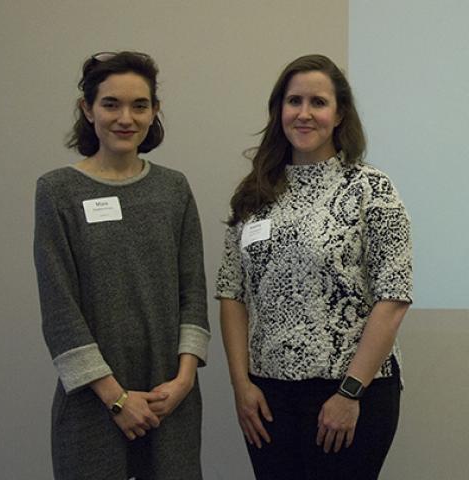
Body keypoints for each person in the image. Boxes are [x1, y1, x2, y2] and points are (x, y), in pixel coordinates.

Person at [216, 54, 412, 480]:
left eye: (318, 103)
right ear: (279, 110)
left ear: (339, 113)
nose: (304, 114)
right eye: (294, 101)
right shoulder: (254, 193)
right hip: (267, 397)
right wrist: (241, 386)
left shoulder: (371, 189)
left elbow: (393, 297)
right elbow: (231, 293)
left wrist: (349, 392)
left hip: (351, 393)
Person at [34, 51, 210, 480]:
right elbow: (60, 309)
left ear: (155, 112)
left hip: (168, 397)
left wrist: (184, 380)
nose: (125, 118)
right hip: (94, 403)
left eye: (139, 105)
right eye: (111, 104)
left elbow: (193, 291)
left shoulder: (173, 188)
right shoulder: (57, 191)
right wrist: (115, 398)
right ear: (87, 110)